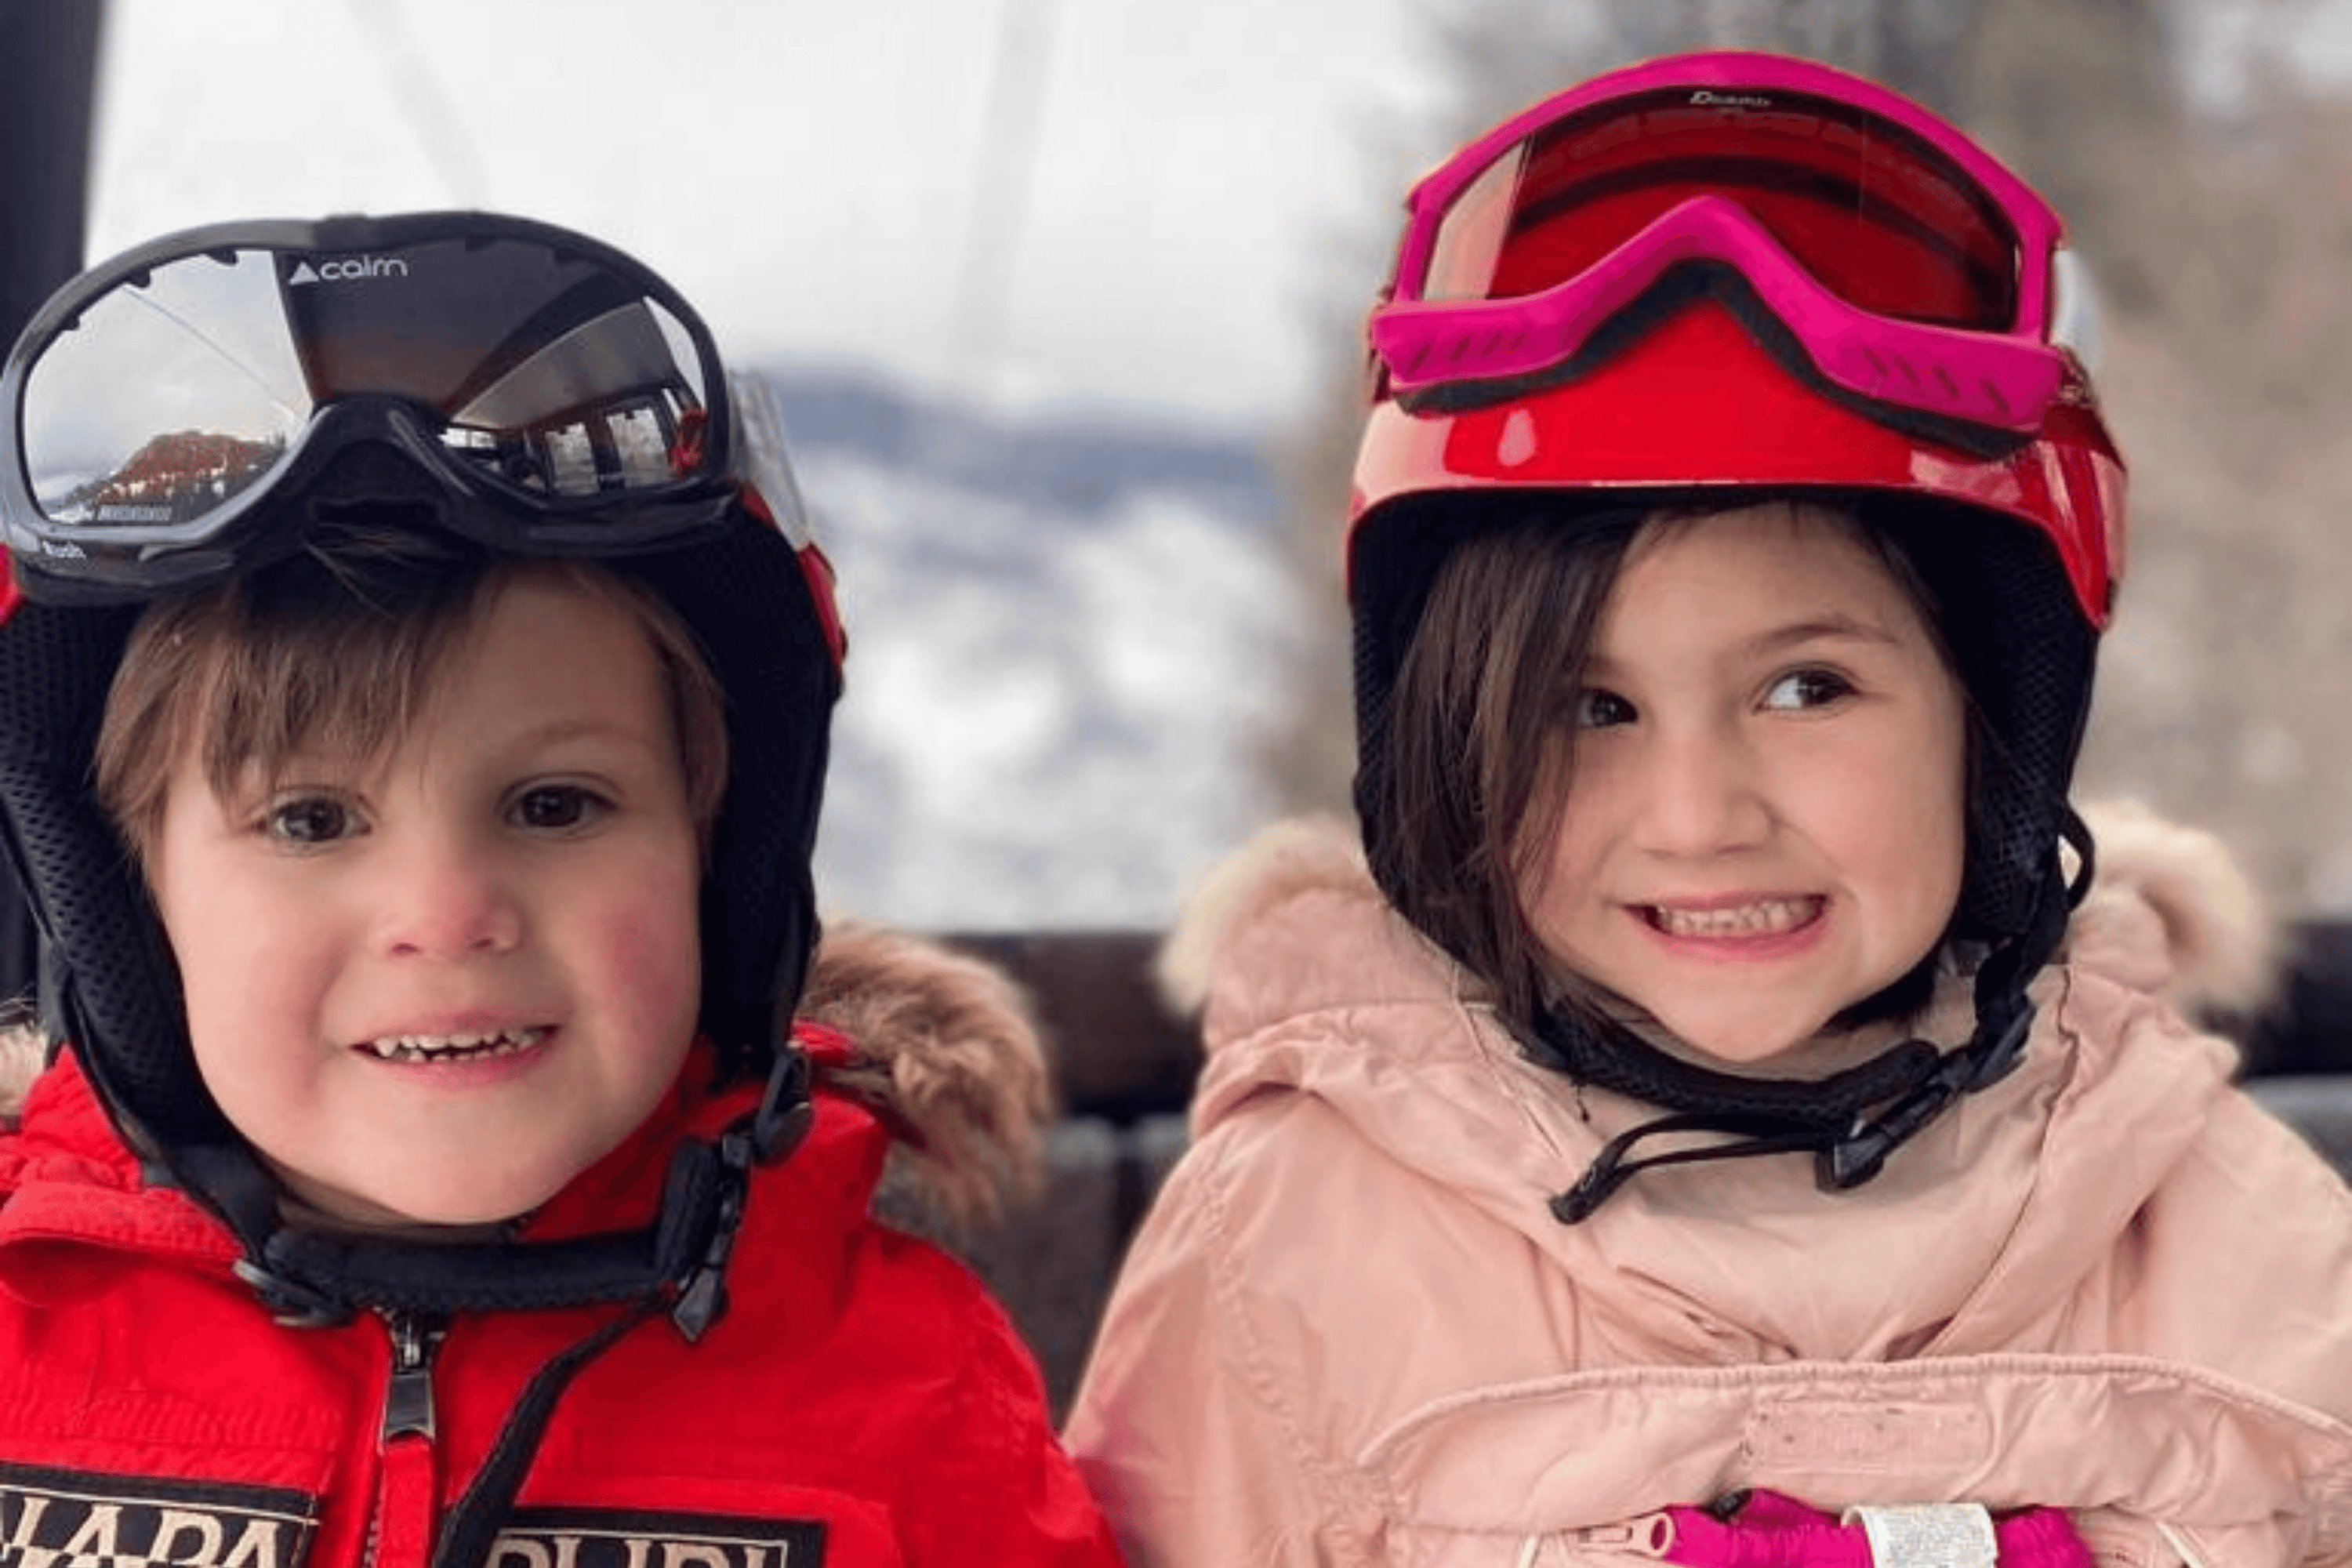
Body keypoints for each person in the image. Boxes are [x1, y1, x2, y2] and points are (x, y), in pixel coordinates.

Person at [1065, 49, 2352, 1567]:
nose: (1697, 818)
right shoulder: (1293, 1243)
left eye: (1806, 689)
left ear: (1993, 730)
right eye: (1587, 709)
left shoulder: (2224, 1227)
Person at [0, 210, 1120, 1567]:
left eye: (553, 806)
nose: (446, 915)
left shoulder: (915, 1398)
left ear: (714, 863)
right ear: (133, 904)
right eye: (309, 820)